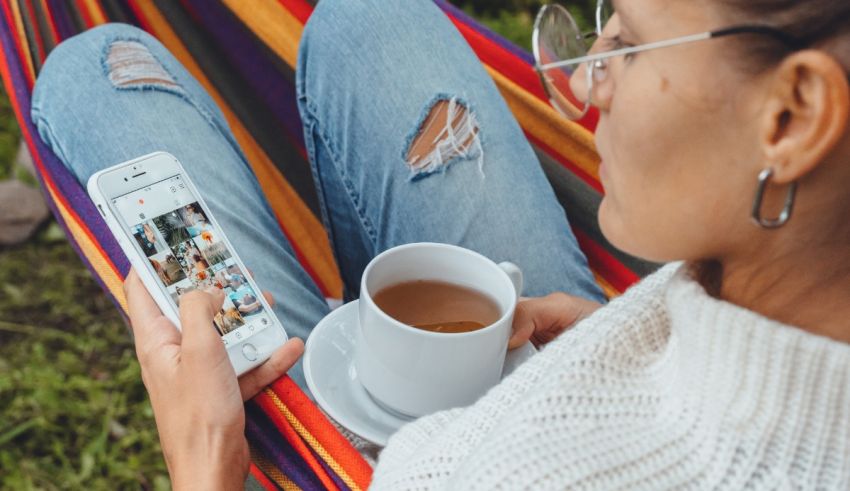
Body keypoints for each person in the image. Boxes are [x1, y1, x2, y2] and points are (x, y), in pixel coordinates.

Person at [29, 0, 850, 488]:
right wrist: (628, 337)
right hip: (610, 378)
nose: (581, 80)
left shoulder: (522, 471)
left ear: (794, 115)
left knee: (88, 75)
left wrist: (203, 457)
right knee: (370, 18)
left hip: (409, 459)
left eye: (628, 43)